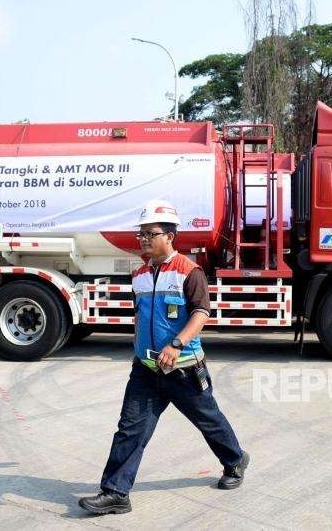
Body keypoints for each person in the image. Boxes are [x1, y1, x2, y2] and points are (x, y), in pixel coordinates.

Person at [79, 200, 248, 515]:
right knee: (130, 429)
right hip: (146, 371)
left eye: (150, 233)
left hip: (183, 370)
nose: (143, 239)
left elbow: (201, 313)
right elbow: (140, 317)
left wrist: (176, 344)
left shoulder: (189, 271)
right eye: (141, 234)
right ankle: (115, 492)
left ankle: (236, 460)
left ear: (170, 235)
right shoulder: (140, 275)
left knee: (209, 421)